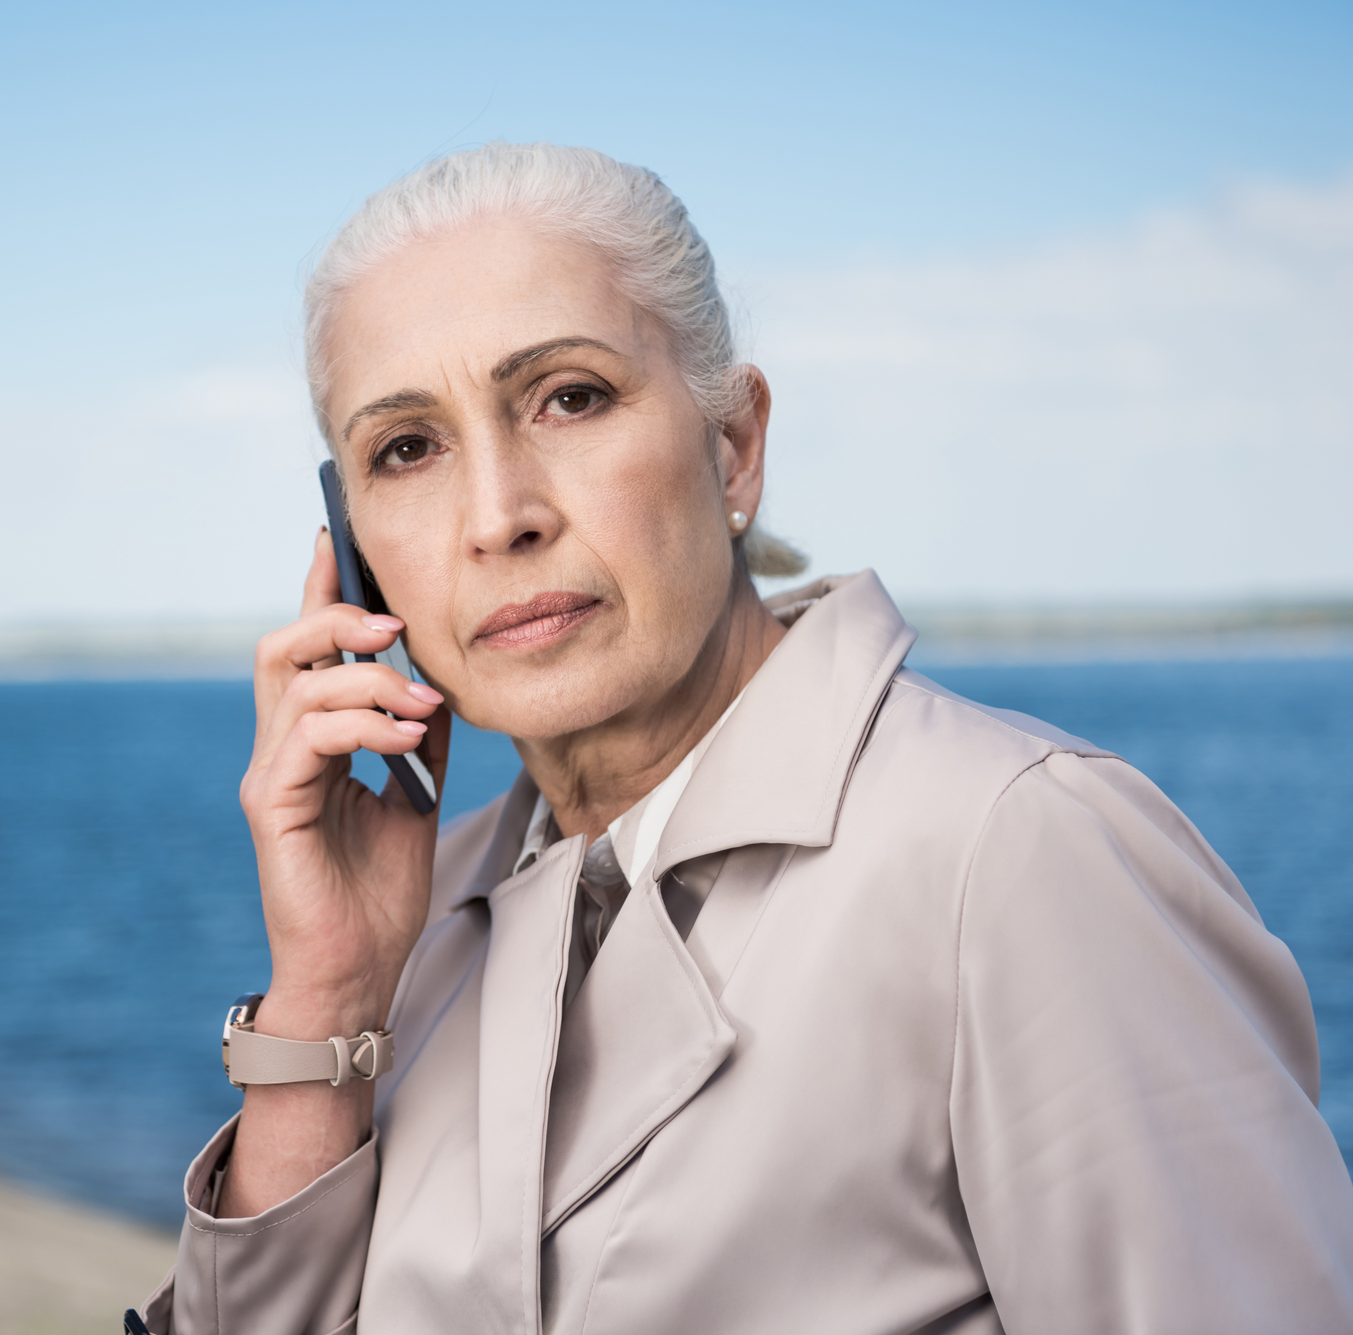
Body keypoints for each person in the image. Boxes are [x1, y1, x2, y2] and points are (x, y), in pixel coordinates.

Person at [131, 143, 1353, 1334]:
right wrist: (326, 997)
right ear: (351, 544)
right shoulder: (426, 914)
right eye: (407, 449)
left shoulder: (1017, 852)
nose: (497, 516)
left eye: (569, 398)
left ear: (733, 445)